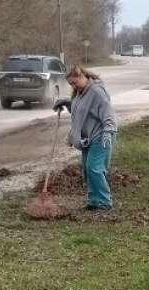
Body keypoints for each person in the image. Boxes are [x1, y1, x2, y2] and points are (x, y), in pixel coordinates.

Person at [53, 65, 117, 210]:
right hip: (87, 138)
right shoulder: (80, 92)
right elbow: (82, 110)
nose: (73, 86)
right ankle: (94, 200)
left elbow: (109, 115)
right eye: (70, 84)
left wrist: (108, 132)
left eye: (74, 82)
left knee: (94, 168)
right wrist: (67, 103)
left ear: (82, 76)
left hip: (101, 136)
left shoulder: (96, 92)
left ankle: (104, 202)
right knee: (87, 170)